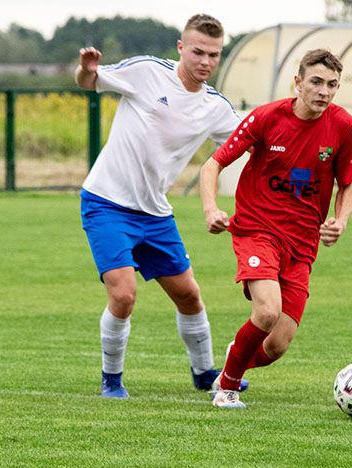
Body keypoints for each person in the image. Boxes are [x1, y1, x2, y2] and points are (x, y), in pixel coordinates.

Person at [75, 14, 249, 398]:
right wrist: (86, 70)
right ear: (181, 47)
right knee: (123, 295)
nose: (205, 61)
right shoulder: (147, 72)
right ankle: (112, 380)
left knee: (188, 295)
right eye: (198, 51)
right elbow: (90, 82)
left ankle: (205, 374)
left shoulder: (215, 107)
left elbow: (251, 141)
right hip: (106, 202)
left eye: (214, 55)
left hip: (155, 212)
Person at [199, 49, 352, 408]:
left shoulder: (343, 125)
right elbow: (213, 164)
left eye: (332, 85)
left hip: (302, 244)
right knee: (267, 311)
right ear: (298, 82)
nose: (324, 91)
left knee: (275, 346)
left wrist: (340, 221)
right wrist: (211, 208)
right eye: (316, 82)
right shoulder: (266, 118)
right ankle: (226, 388)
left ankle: (234, 358)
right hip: (257, 230)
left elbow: (347, 184)